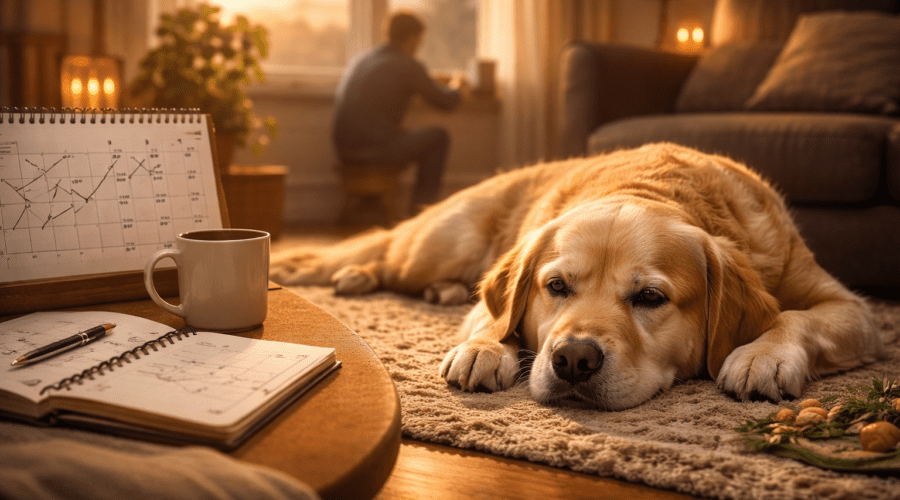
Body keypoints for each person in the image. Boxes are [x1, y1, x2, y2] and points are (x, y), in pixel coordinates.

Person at [332, 11, 463, 214]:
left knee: (400, 133)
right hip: (375, 152)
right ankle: (421, 214)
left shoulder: (362, 59)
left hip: (344, 152)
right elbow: (446, 102)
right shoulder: (407, 65)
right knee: (438, 136)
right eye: (420, 40)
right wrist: (458, 86)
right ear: (411, 38)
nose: (418, 46)